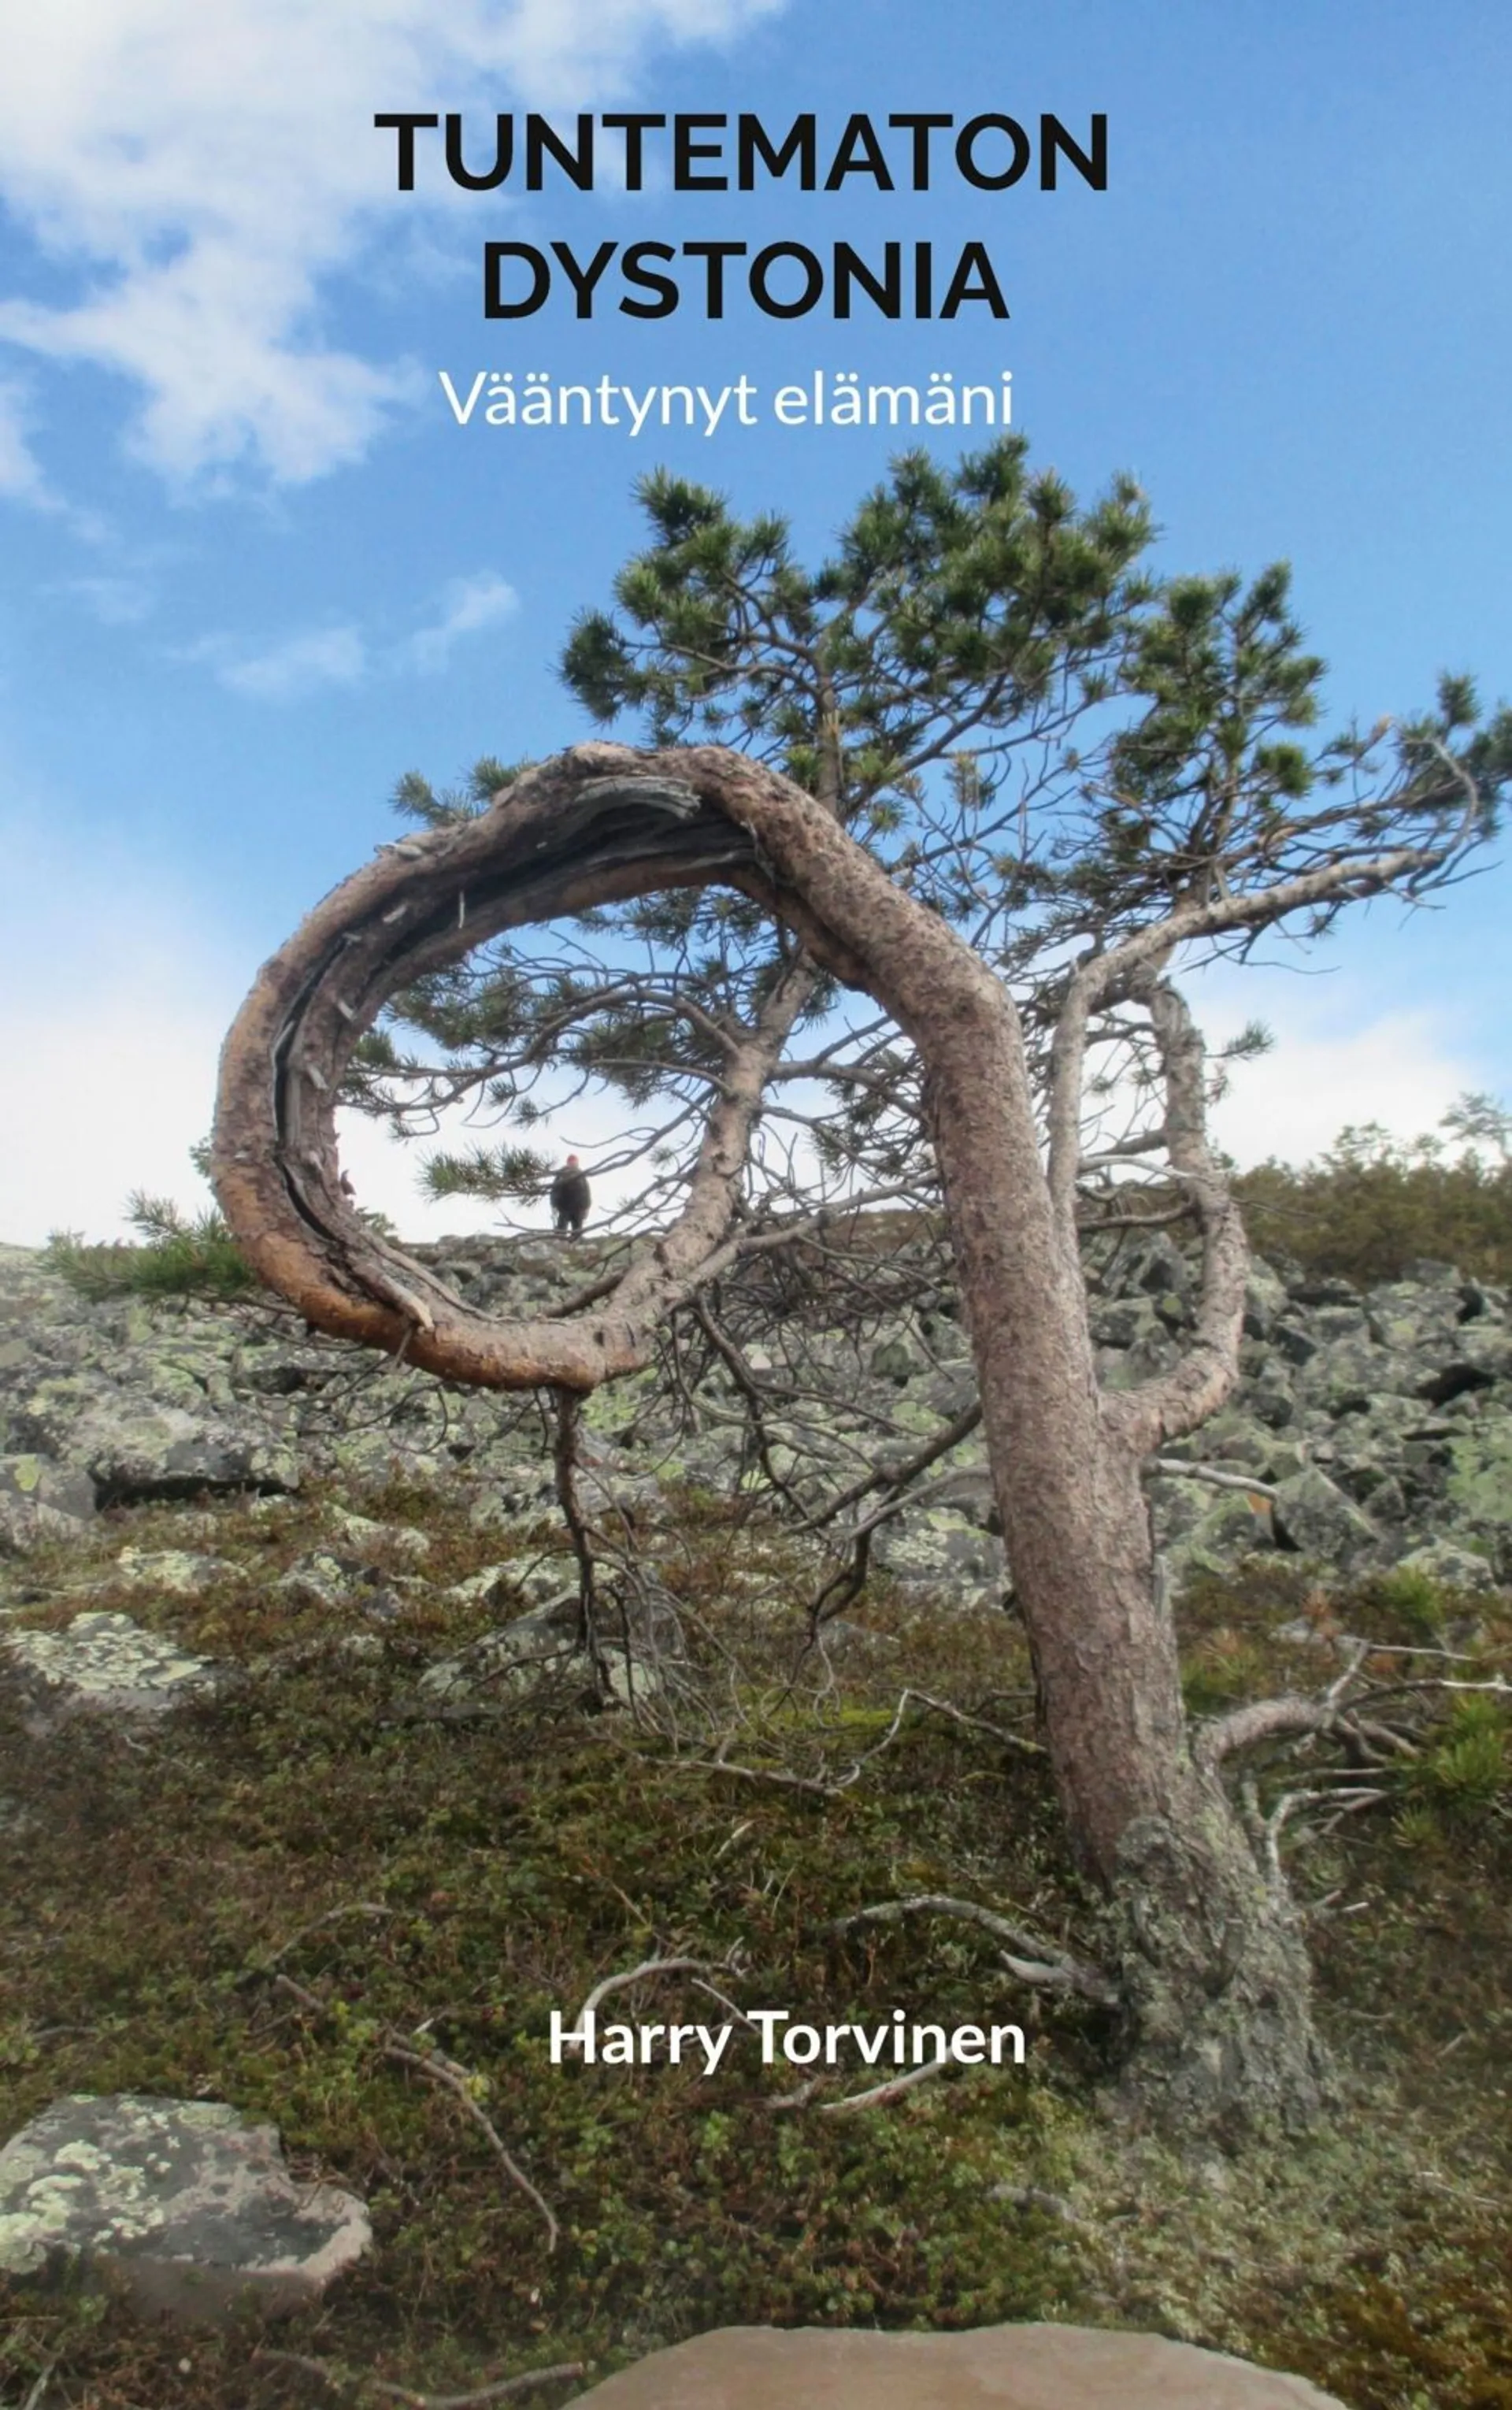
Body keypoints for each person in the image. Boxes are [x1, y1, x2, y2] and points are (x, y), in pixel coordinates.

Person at [550, 1154, 591, 1237]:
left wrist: (587, 1207)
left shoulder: (581, 1175)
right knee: (561, 1230)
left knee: (577, 1231)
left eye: (574, 1163)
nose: (573, 1165)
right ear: (568, 1163)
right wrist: (553, 1205)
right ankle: (561, 1243)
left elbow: (586, 1192)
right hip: (564, 1206)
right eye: (571, 1163)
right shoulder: (561, 1174)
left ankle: (575, 1245)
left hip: (578, 1207)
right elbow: (555, 1190)